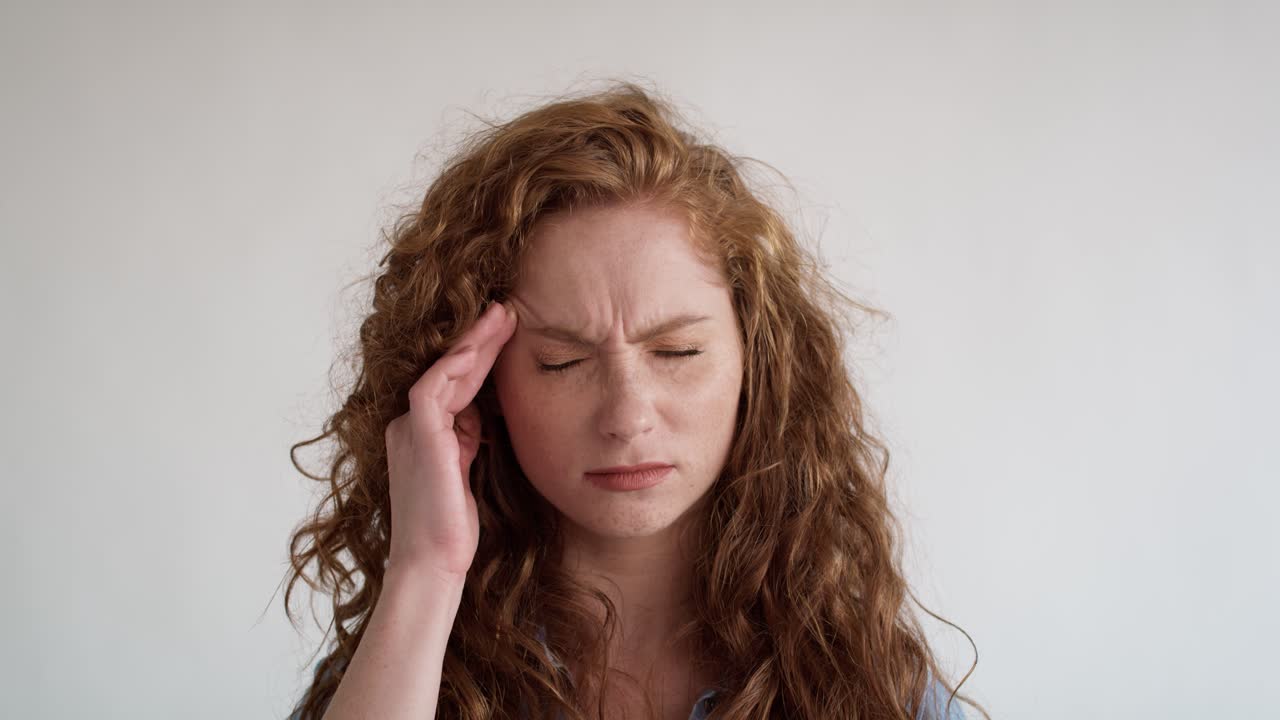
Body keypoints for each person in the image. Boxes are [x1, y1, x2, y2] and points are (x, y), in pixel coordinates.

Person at [282, 80, 984, 720]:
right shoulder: (400, 665)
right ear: (482, 387)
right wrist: (425, 567)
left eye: (677, 353)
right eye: (561, 362)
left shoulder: (871, 684)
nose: (627, 416)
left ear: (758, 363)